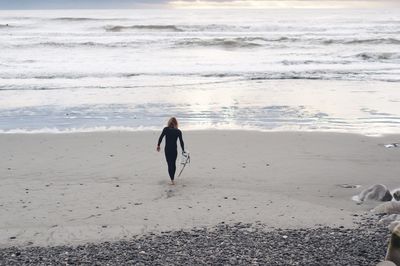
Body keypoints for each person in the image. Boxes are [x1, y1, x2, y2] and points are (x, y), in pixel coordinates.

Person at [157, 117, 185, 185]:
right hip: (174, 150)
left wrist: (158, 145)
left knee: (169, 164)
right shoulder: (178, 131)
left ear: (169, 123)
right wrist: (183, 150)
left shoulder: (166, 129)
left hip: (167, 150)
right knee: (173, 164)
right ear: (176, 123)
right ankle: (173, 179)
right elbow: (181, 142)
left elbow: (161, 137)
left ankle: (172, 179)